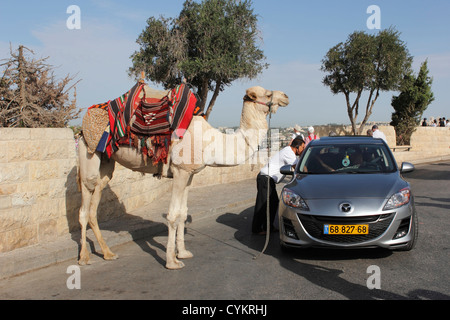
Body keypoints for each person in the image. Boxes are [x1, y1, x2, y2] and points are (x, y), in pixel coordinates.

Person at [252, 137, 306, 235]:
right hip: (265, 178)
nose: (303, 149)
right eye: (302, 147)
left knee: (273, 203)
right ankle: (256, 229)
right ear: (297, 147)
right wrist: (303, 157)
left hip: (269, 179)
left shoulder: (289, 151)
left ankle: (268, 226)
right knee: (263, 204)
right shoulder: (289, 153)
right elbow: (298, 167)